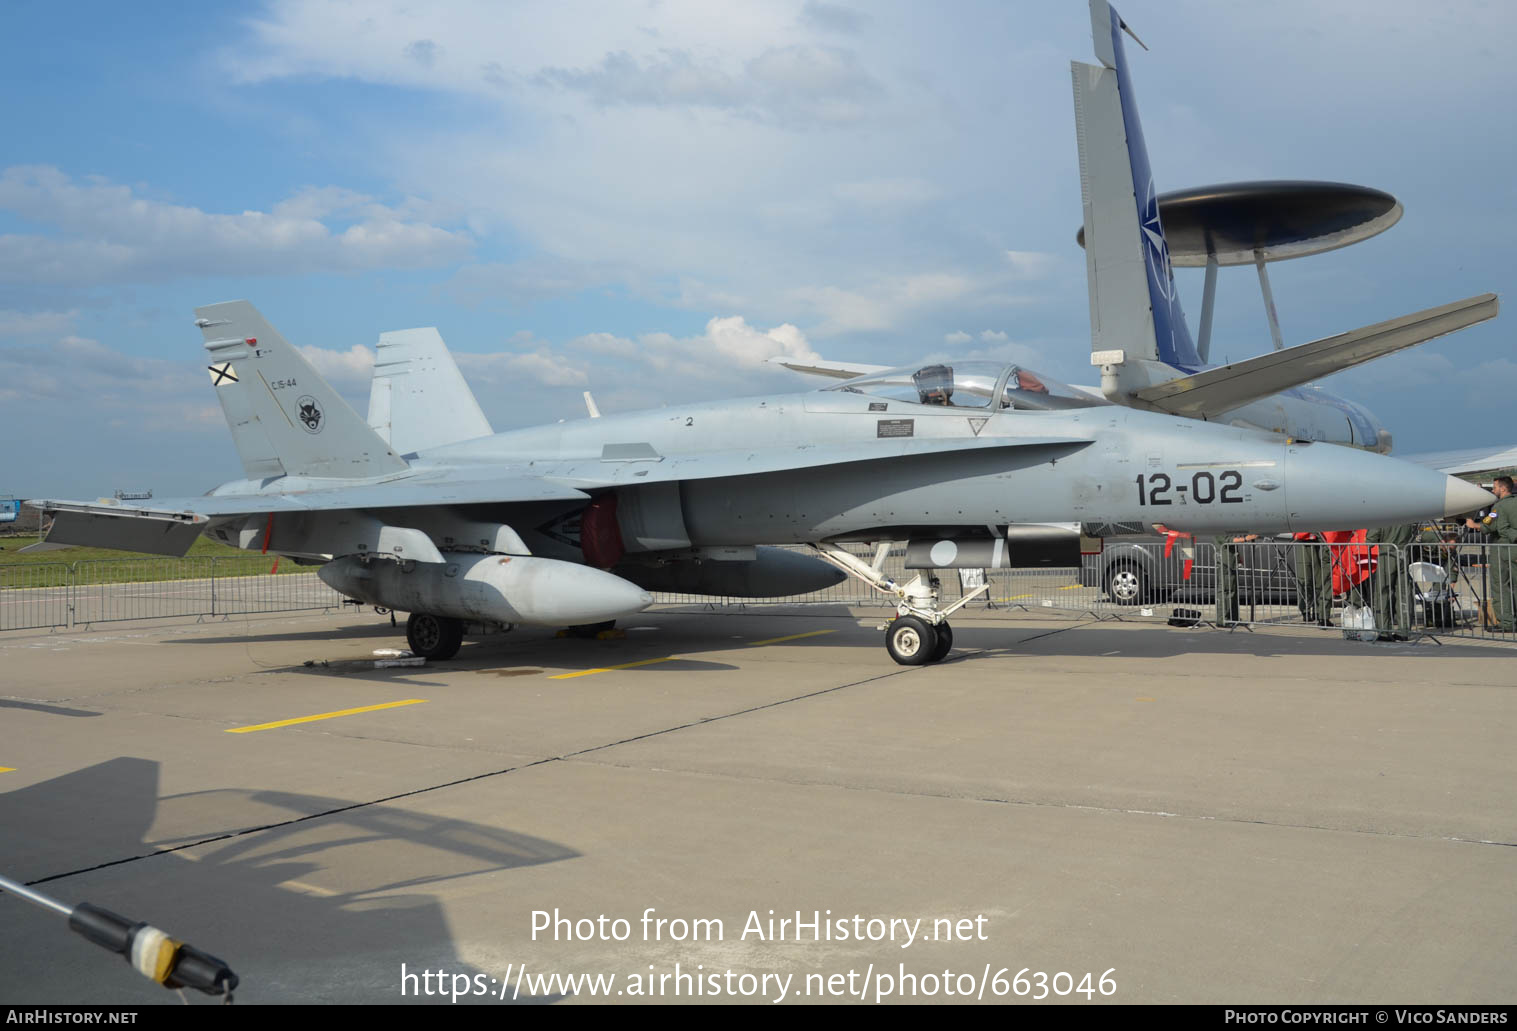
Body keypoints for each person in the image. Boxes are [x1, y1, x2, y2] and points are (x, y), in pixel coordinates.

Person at [1363, 521, 1442, 640]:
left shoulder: (1383, 516)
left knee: (1383, 593)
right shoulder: (1406, 516)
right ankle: (1404, 630)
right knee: (1404, 593)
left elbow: (1370, 539)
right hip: (1404, 554)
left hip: (1387, 554)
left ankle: (1384, 631)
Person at [1465, 476, 1517, 633]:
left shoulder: (1498, 507)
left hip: (1503, 549)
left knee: (1500, 585)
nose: (1493, 490)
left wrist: (1472, 523)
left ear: (1503, 488)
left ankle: (1507, 622)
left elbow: (1488, 526)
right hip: (1514, 549)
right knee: (1515, 585)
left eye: (1494, 487)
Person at [1213, 532, 1257, 627]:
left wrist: (1238, 558)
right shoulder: (1219, 527)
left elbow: (1233, 545)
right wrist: (1246, 538)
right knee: (1226, 591)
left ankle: (1234, 618)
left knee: (1233, 591)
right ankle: (1223, 619)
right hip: (1225, 564)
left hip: (1231, 562)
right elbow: (1229, 540)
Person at [1292, 531, 1334, 626]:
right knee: (1305, 579)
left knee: (1319, 579)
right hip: (1303, 540)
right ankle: (1305, 610)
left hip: (1319, 541)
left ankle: (1318, 611)